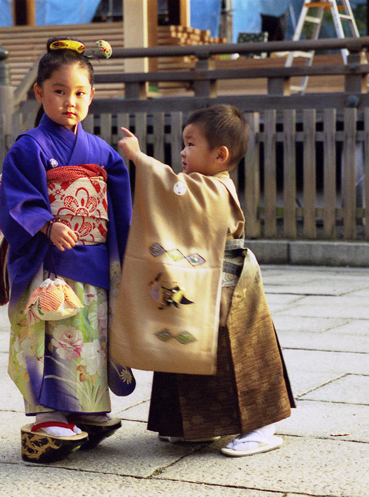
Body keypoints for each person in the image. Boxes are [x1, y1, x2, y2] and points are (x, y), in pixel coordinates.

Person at [112, 104, 295, 457]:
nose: (182, 151)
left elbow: (175, 191)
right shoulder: (205, 184)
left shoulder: (215, 188)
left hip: (230, 285)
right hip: (206, 281)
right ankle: (197, 425)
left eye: (191, 143)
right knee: (187, 347)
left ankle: (261, 425)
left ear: (220, 154)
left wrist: (139, 159)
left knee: (233, 353)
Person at [0, 36, 134, 463]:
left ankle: (85, 409)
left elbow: (121, 208)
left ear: (92, 97)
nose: (70, 101)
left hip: (91, 259)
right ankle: (46, 414)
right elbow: (16, 199)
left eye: (80, 93)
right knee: (50, 334)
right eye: (59, 91)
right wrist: (48, 225)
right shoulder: (28, 147)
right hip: (47, 262)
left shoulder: (103, 153)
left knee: (90, 336)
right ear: (39, 92)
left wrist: (125, 253)